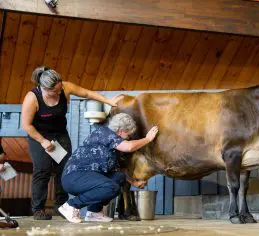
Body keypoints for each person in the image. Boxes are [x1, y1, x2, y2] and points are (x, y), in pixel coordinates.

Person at [21, 66, 122, 220]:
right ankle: (38, 209)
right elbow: (26, 125)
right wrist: (42, 141)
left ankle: (61, 206)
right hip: (39, 135)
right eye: (55, 91)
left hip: (60, 134)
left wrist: (109, 102)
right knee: (42, 170)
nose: (59, 92)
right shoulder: (32, 97)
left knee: (64, 169)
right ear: (44, 88)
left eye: (60, 88)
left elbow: (87, 93)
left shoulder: (65, 87)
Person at [58, 113, 158, 223]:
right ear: (121, 131)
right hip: (75, 176)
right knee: (111, 187)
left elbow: (120, 171)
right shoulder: (104, 132)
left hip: (90, 176)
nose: (129, 137)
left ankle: (94, 212)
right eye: (128, 135)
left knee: (119, 177)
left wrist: (134, 182)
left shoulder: (114, 150)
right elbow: (129, 146)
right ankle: (71, 205)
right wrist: (147, 139)